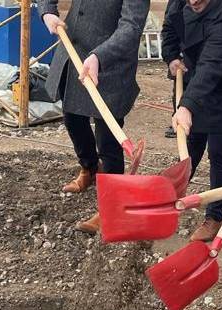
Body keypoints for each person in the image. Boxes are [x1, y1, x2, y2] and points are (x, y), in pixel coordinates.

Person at [38, 0, 149, 233]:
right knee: (72, 118)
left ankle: (111, 205)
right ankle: (89, 168)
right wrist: (47, 11)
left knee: (108, 137)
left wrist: (100, 56)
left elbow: (131, 25)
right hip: (74, 53)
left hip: (110, 63)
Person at [162, 0, 222, 241]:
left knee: (218, 149)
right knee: (191, 144)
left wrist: (186, 106)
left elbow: (212, 66)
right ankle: (166, 201)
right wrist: (172, 56)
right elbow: (170, 26)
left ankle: (215, 215)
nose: (194, 2)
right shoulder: (180, 2)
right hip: (196, 80)